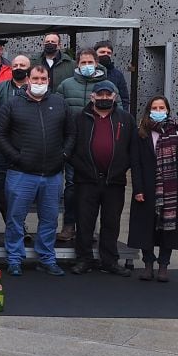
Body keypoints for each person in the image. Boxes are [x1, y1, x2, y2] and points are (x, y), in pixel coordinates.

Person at [0, 64, 75, 277]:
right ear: (28, 79)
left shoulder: (60, 104)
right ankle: (14, 259)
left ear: (49, 80)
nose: (39, 83)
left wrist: (63, 156)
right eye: (36, 78)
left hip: (52, 174)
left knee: (49, 219)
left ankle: (47, 258)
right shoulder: (12, 105)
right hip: (21, 174)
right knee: (15, 219)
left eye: (43, 79)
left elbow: (71, 134)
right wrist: (16, 157)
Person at [69, 81, 134, 276]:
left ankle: (109, 261)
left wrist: (122, 168)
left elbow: (132, 149)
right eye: (100, 95)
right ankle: (84, 259)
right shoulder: (79, 118)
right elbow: (70, 147)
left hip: (114, 180)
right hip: (86, 179)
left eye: (108, 95)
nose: (104, 98)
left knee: (111, 222)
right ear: (92, 97)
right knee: (84, 221)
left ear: (114, 97)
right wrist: (82, 168)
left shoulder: (126, 119)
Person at [128, 96, 178, 282]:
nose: (158, 110)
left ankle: (164, 265)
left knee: (168, 228)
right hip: (147, 188)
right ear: (148, 110)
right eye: (154, 107)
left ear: (167, 110)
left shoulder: (177, 132)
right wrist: (137, 188)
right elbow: (135, 162)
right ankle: (148, 264)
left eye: (161, 107)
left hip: (172, 190)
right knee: (145, 227)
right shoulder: (140, 133)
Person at [54, 48, 110, 243]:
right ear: (77, 64)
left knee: (92, 189)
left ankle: (88, 227)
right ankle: (69, 225)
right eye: (83, 62)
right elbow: (57, 112)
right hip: (72, 144)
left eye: (90, 62)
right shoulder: (66, 85)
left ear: (96, 63)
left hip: (96, 147)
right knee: (71, 186)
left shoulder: (106, 86)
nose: (87, 66)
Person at [0, 54, 31, 240]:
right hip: (1, 147)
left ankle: (19, 225)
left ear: (29, 68)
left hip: (25, 148)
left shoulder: (33, 90)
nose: (19, 67)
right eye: (16, 65)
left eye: (23, 65)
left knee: (20, 190)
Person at [93, 40, 130, 110]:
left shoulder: (117, 74)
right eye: (102, 52)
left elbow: (124, 98)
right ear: (95, 54)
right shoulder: (89, 72)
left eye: (109, 53)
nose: (106, 54)